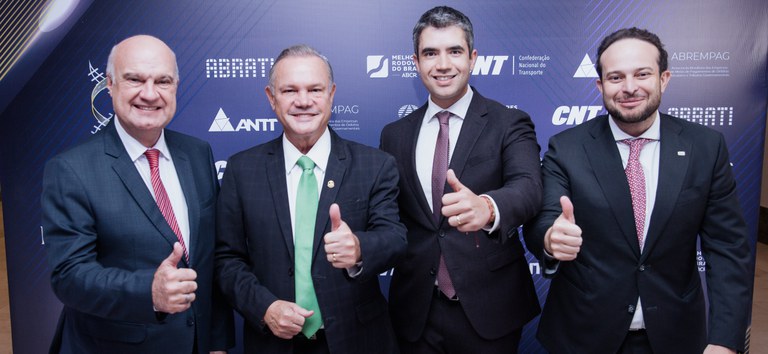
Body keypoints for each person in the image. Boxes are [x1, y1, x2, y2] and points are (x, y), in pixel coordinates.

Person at [524, 27, 752, 354]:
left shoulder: (706, 147)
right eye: (616, 78)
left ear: (664, 78)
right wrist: (550, 237)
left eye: (642, 74)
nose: (629, 88)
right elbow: (544, 217)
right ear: (600, 86)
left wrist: (725, 339)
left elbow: (728, 248)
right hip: (584, 335)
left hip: (676, 336)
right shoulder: (568, 147)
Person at [42, 35, 233, 353]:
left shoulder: (198, 154)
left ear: (175, 87)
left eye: (163, 81)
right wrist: (149, 291)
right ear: (110, 84)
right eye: (134, 79)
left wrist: (216, 343)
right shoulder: (70, 169)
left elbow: (207, 257)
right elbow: (69, 275)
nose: (149, 93)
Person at [215, 44, 407, 354]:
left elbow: (395, 239)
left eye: (315, 89)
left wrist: (359, 249)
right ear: (271, 97)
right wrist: (264, 307)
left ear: (331, 94)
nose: (303, 101)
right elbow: (226, 259)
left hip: (357, 340)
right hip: (272, 343)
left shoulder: (376, 164)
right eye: (290, 90)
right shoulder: (241, 169)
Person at [380, 6, 542, 353]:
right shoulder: (394, 135)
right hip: (415, 311)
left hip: (490, 307)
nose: (442, 64)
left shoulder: (508, 122)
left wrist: (487, 207)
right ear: (415, 61)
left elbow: (528, 186)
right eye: (430, 53)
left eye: (454, 51)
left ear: (473, 58)